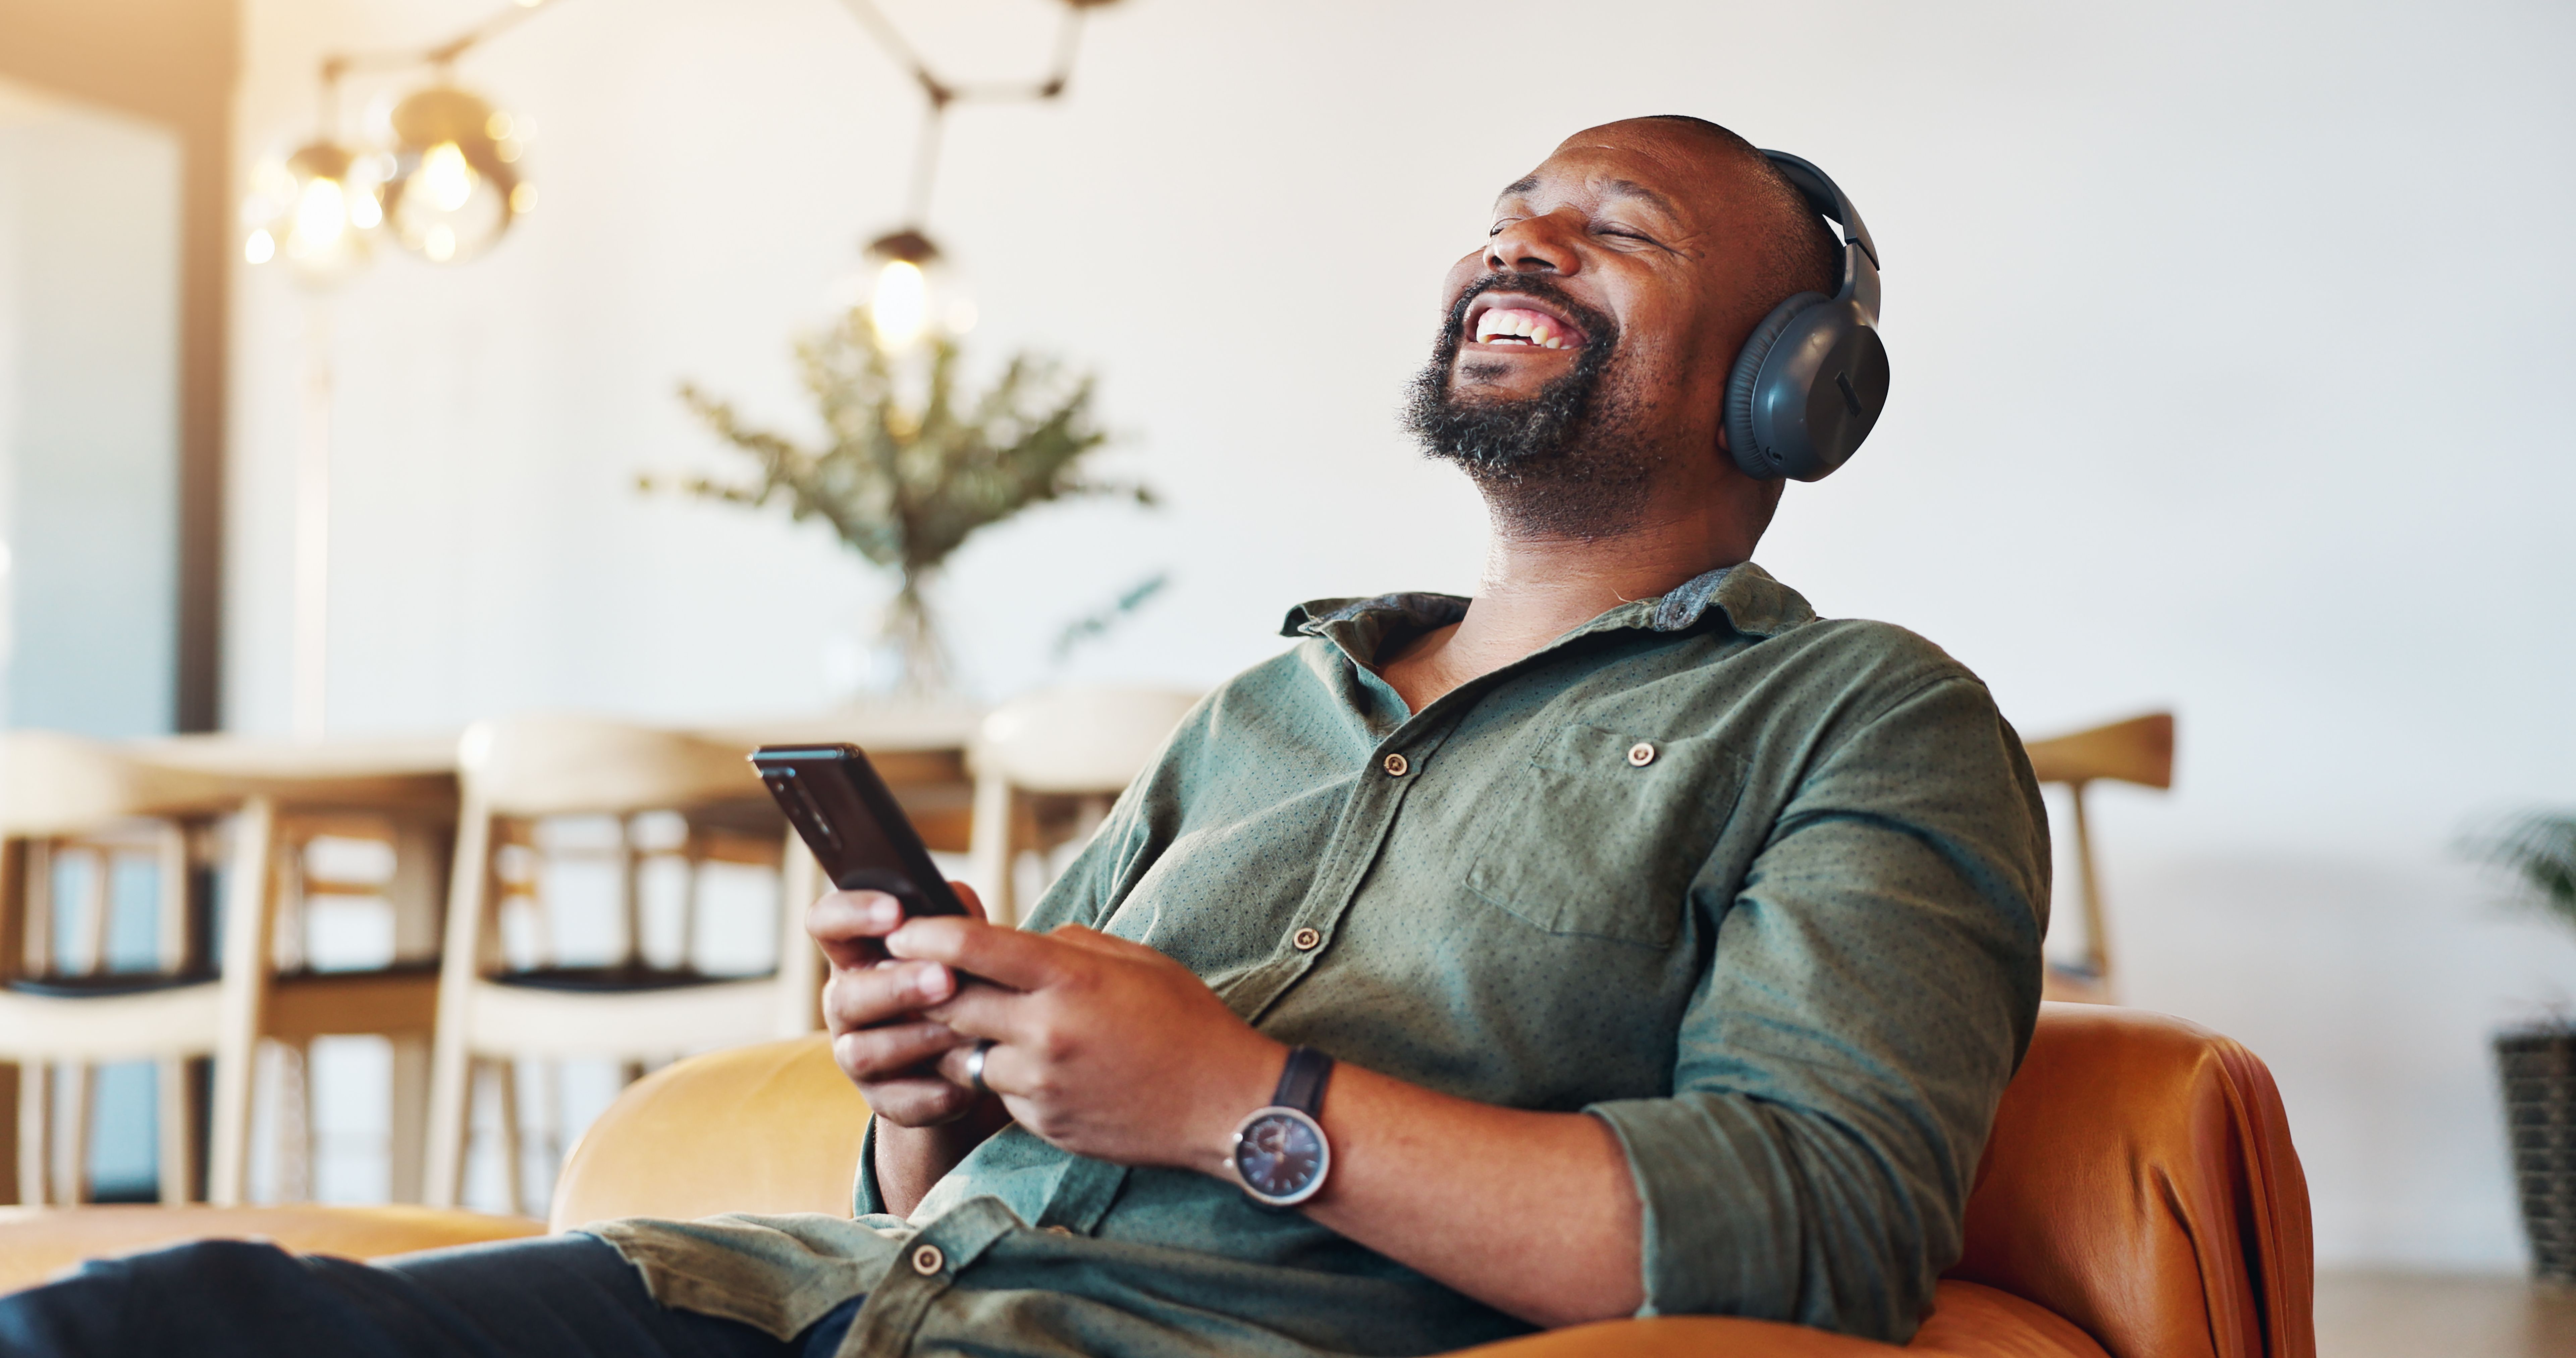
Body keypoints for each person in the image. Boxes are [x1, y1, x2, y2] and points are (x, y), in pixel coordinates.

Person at [0, 115, 2048, 1358]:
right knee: (118, 1326)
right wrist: (931, 1084)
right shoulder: (1267, 709)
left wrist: (1250, 1098)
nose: (1520, 243)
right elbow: (966, 1168)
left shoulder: (1862, 721)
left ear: (1796, 390)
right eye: (1513, 211)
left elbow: (1824, 1220)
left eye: (1612, 228)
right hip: (770, 1295)